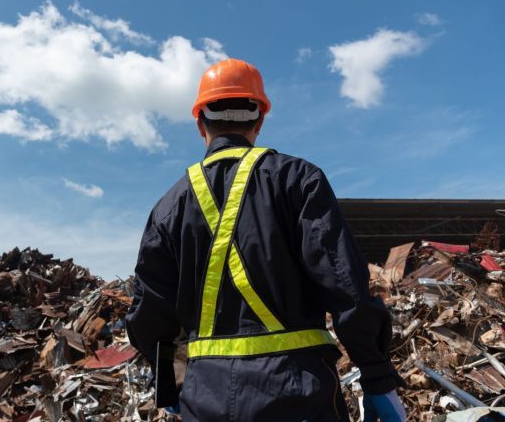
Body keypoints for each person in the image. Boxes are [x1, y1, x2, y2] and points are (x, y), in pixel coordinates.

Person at [125, 58, 406, 422]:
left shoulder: (168, 208)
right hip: (299, 395)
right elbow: (345, 285)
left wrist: (170, 386)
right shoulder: (298, 179)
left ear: (199, 124)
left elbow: (149, 315)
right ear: (259, 120)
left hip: (204, 401)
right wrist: (377, 377)